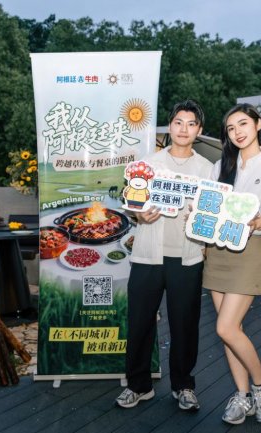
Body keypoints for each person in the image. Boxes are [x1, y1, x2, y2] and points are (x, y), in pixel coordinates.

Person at [203, 103, 261, 425]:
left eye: (243, 124)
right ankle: (242, 396)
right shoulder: (220, 166)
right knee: (232, 331)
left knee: (225, 327)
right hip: (217, 251)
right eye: (230, 128)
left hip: (249, 249)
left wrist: (259, 222)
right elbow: (208, 206)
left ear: (258, 124)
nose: (237, 132)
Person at [115, 100, 213, 410]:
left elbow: (213, 212)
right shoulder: (149, 163)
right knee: (140, 321)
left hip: (188, 256)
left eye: (191, 124)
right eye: (178, 122)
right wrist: (138, 215)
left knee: (185, 324)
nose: (184, 129)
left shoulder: (207, 169)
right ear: (169, 126)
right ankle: (138, 386)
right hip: (148, 255)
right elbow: (130, 202)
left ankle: (183, 386)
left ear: (199, 130)